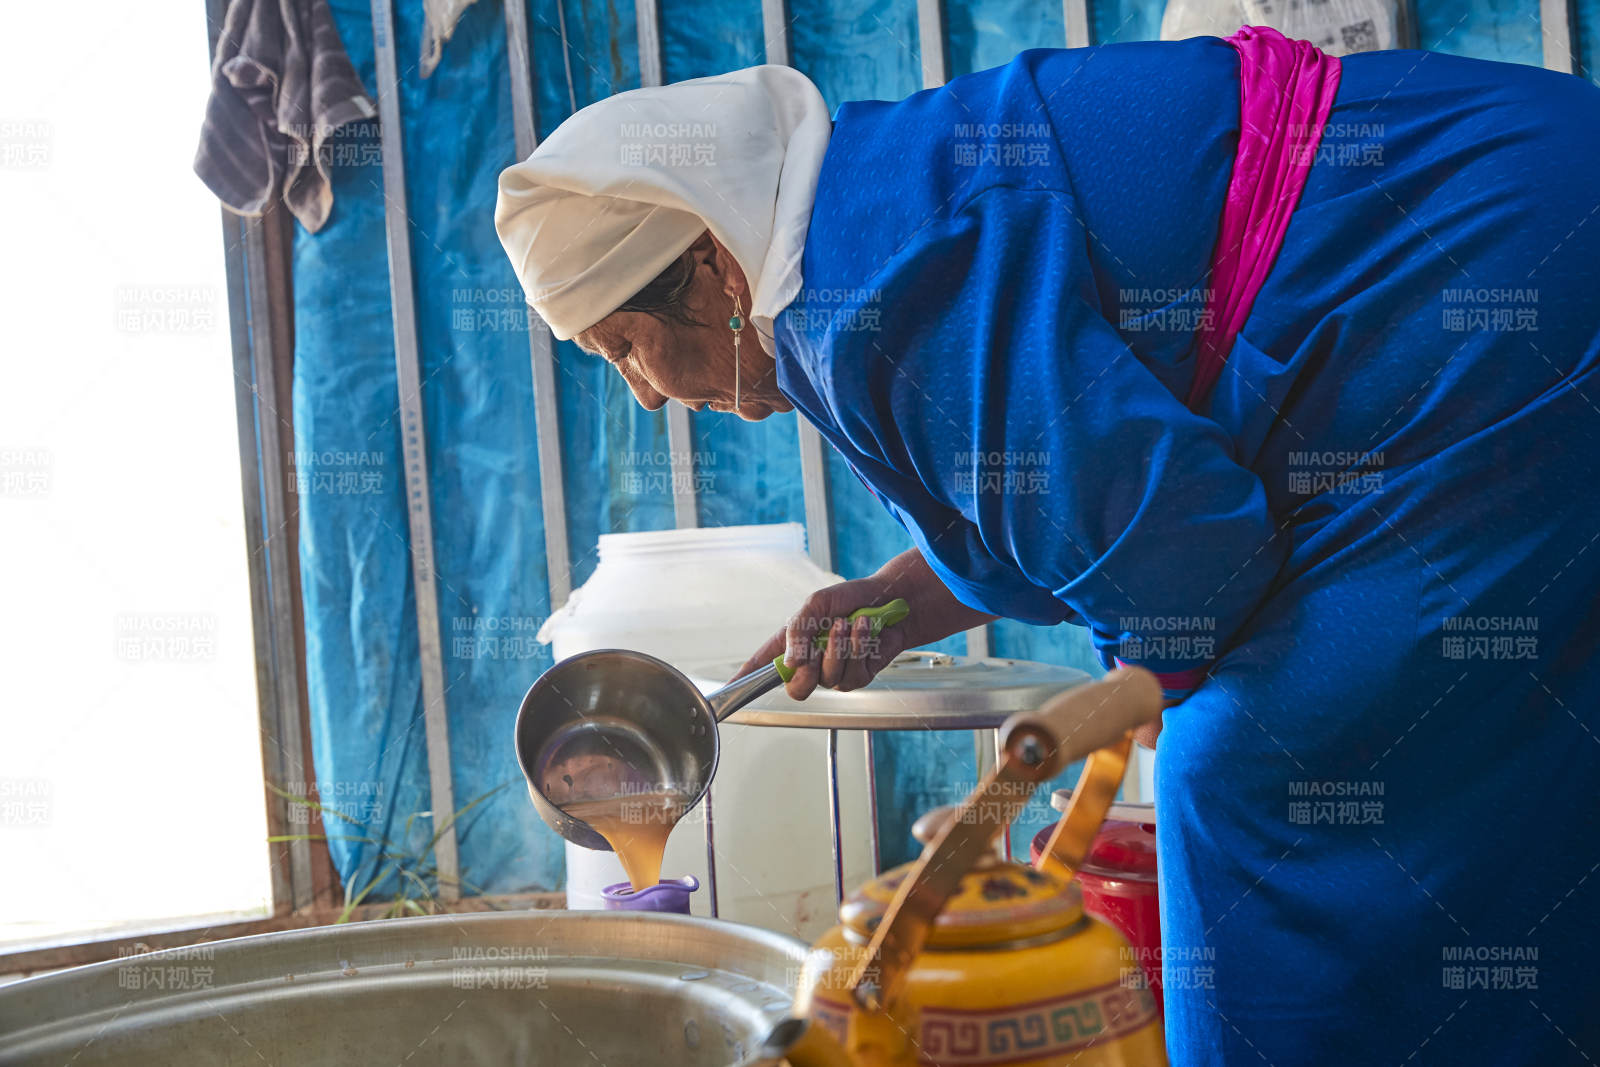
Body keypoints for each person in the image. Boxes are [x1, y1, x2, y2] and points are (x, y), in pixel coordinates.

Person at [494, 29, 1600, 1065]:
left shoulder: (871, 289)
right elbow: (1067, 477)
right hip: (1506, 218)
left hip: (1494, 278)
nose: (643, 394)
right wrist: (901, 596)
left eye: (627, 348)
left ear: (717, 276)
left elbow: (1183, 560)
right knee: (1491, 733)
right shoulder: (856, 212)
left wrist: (1135, 684)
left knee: (1262, 771)